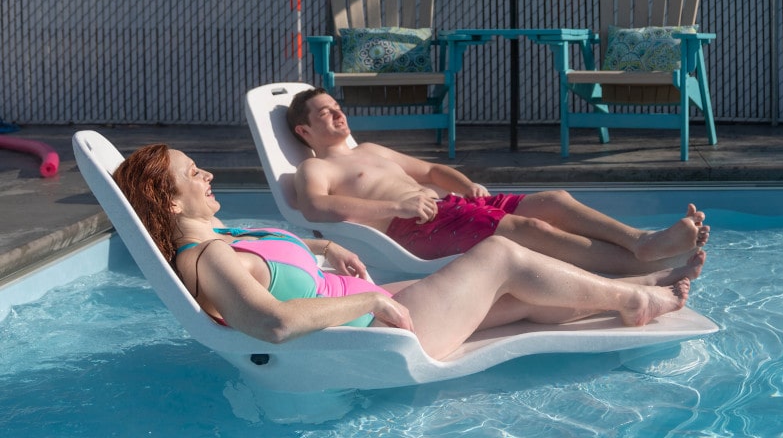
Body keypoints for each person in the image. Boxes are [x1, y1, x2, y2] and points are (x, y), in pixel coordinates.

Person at [113, 144, 702, 360]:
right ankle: (635, 297)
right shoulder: (210, 259)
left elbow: (276, 262)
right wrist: (367, 297)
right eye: (195, 173)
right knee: (501, 255)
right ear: (168, 203)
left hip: (379, 310)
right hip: (377, 332)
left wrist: (319, 245)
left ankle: (636, 281)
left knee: (530, 304)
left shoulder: (221, 241)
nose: (209, 173)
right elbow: (268, 323)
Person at [284, 89, 710, 275]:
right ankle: (648, 263)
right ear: (304, 131)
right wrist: (396, 208)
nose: (339, 115)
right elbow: (315, 209)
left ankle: (641, 241)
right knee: (531, 230)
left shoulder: (372, 150)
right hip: (411, 228)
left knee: (554, 200)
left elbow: (432, 173)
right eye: (325, 113)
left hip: (450, 206)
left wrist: (465, 182)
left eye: (337, 107)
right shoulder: (314, 169)